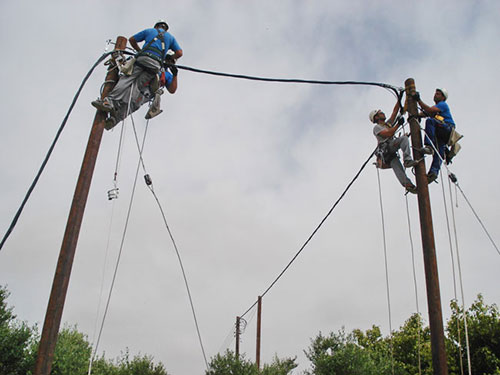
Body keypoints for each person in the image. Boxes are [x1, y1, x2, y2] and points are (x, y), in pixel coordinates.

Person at [92, 20, 182, 129]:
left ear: (157, 26)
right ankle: (115, 116)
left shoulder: (150, 31)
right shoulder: (169, 41)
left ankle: (110, 103)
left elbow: (132, 39)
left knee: (127, 81)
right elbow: (179, 53)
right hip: (149, 78)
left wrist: (140, 51)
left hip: (144, 72)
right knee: (132, 100)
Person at [370, 100, 419, 194]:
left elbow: (395, 111)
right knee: (403, 139)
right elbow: (388, 134)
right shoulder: (377, 128)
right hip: (387, 150)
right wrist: (398, 124)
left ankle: (409, 185)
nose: (383, 113)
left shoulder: (387, 124)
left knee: (397, 168)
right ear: (376, 117)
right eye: (380, 113)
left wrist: (399, 97)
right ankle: (407, 160)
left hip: (391, 152)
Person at [413, 88, 456, 183]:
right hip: (442, 133)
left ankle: (429, 146)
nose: (435, 95)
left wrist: (418, 100)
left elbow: (429, 110)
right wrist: (416, 116)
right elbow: (426, 112)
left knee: (430, 121)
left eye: (438, 94)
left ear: (443, 97)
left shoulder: (442, 105)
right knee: (439, 151)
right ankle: (433, 172)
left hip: (447, 128)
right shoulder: (436, 110)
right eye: (435, 93)